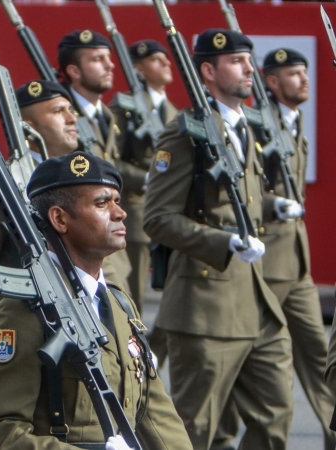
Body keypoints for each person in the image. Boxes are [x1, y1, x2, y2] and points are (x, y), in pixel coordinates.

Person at [0, 152, 192, 450]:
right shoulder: (23, 312)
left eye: (117, 200)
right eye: (102, 203)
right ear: (60, 219)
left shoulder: (118, 304)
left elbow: (153, 412)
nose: (120, 212)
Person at [143, 28, 294, 449]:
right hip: (205, 303)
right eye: (237, 62)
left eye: (250, 60)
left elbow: (237, 201)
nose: (250, 69)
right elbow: (157, 218)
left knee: (275, 414)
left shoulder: (243, 127)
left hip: (256, 300)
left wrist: (270, 206)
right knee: (193, 427)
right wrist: (223, 242)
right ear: (208, 71)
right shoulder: (185, 132)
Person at [214, 48, 335, 450]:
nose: (304, 80)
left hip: (296, 267)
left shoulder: (294, 123)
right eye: (294, 74)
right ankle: (222, 438)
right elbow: (243, 193)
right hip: (262, 266)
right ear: (271, 81)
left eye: (305, 73)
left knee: (321, 359)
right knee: (243, 365)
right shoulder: (253, 126)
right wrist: (273, 205)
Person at [0, 79, 79, 319]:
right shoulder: (2, 182)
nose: (72, 118)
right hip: (28, 321)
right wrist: (23, 300)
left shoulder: (80, 179)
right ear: (27, 128)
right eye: (57, 111)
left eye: (70, 110)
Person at [57, 29, 130, 293]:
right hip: (83, 250)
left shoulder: (108, 116)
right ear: (74, 71)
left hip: (113, 247)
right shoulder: (62, 120)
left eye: (108, 58)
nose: (110, 65)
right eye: (97, 59)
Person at [110, 39, 176, 311]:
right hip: (137, 208)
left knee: (173, 292)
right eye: (156, 60)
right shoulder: (125, 107)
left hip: (170, 210)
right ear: (138, 68)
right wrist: (146, 178)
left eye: (166, 59)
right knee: (133, 292)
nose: (166, 64)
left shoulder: (174, 113)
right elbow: (111, 159)